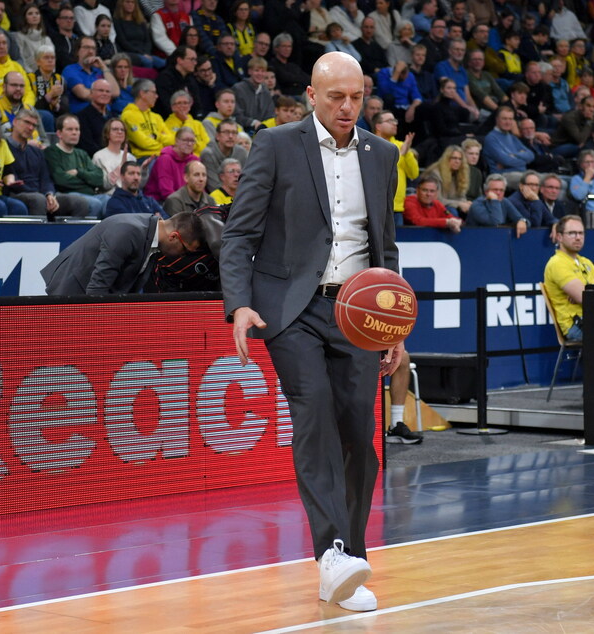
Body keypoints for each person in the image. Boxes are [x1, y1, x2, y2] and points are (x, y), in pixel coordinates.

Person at [220, 52, 402, 614]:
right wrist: (240, 306)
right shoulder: (275, 144)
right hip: (290, 309)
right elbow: (239, 233)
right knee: (315, 414)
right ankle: (332, 554)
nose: (348, 107)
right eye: (336, 98)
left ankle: (346, 564)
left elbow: (385, 245)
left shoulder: (382, 153)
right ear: (311, 95)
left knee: (360, 438)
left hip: (359, 314)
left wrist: (395, 325)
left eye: (356, 97)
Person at [41, 211, 203, 295]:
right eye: (185, 250)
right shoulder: (128, 232)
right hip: (72, 290)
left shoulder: (153, 237)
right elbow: (98, 286)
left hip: (91, 291)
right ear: (174, 237)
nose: (182, 257)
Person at [7, 107, 88, 219]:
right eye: (27, 122)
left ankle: (74, 236)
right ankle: (37, 236)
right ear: (15, 121)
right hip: (16, 194)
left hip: (40, 194)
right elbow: (13, 182)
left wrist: (49, 194)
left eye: (34, 125)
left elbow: (46, 178)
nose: (30, 127)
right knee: (38, 200)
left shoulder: (36, 151)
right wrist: (43, 196)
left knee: (79, 202)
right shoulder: (4, 147)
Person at [543, 214, 594, 342]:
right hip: (577, 326)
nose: (578, 237)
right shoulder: (557, 263)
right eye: (572, 233)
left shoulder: (585, 261)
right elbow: (587, 299)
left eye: (581, 233)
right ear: (559, 236)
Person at [45, 113, 111, 217]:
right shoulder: (51, 152)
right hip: (65, 194)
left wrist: (78, 172)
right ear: (59, 133)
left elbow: (99, 177)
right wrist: (88, 181)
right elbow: (61, 180)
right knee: (95, 204)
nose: (74, 133)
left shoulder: (82, 153)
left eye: (77, 129)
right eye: (70, 129)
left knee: (109, 200)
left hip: (89, 194)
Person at [372, 110, 417, 225]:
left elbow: (414, 174)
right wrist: (401, 154)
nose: (395, 123)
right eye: (390, 121)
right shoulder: (371, 145)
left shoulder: (401, 145)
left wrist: (406, 153)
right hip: (376, 207)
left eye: (395, 121)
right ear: (378, 126)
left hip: (397, 208)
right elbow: (383, 168)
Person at [63, 36, 120, 114]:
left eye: (93, 48)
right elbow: (83, 94)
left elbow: (115, 92)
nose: (90, 51)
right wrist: (107, 96)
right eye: (86, 47)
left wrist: (103, 67)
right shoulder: (71, 70)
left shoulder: (99, 71)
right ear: (77, 51)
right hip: (83, 115)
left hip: (105, 114)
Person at [120, 79, 176, 159]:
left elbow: (172, 140)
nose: (156, 96)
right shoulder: (128, 115)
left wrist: (156, 137)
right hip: (143, 159)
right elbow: (143, 143)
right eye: (154, 92)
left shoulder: (157, 117)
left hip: (162, 155)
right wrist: (162, 143)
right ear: (142, 93)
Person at [144, 127, 199, 201]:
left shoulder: (195, 160)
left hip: (186, 203)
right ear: (176, 141)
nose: (189, 144)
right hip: (161, 202)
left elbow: (199, 188)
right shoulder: (165, 159)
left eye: (192, 141)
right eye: (185, 140)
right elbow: (166, 192)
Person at [423, 144, 471, 216]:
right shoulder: (435, 174)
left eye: (459, 159)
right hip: (434, 207)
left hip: (451, 205)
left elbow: (460, 196)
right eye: (454, 158)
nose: (457, 161)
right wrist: (459, 204)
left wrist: (466, 203)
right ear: (447, 159)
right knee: (451, 211)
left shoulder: (459, 174)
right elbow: (436, 199)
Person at [92, 117, 136, 195]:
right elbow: (103, 185)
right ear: (107, 134)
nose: (119, 132)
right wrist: (121, 166)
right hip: (109, 197)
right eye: (115, 129)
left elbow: (137, 185)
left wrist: (144, 170)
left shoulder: (130, 157)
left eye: (122, 130)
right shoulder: (99, 157)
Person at [200, 118, 247, 190]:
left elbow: (245, 181)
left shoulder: (242, 153)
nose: (230, 136)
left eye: (234, 133)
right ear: (217, 136)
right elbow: (213, 186)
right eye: (226, 132)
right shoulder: (208, 154)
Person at [232, 56, 274, 131]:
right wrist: (253, 122)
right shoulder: (238, 89)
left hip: (262, 131)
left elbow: (270, 115)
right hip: (242, 130)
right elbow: (237, 115)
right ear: (249, 71)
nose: (260, 74)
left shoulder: (266, 92)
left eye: (263, 71)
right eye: (257, 70)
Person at [76, 77, 114, 156]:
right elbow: (87, 146)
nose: (104, 94)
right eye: (101, 90)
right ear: (91, 93)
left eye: (107, 91)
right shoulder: (82, 117)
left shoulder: (113, 117)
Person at [165, 89, 210, 155]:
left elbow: (207, 146)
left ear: (190, 106)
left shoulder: (198, 124)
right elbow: (176, 145)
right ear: (173, 107)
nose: (182, 106)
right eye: (179, 103)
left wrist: (193, 145)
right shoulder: (167, 124)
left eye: (185, 103)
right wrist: (187, 121)